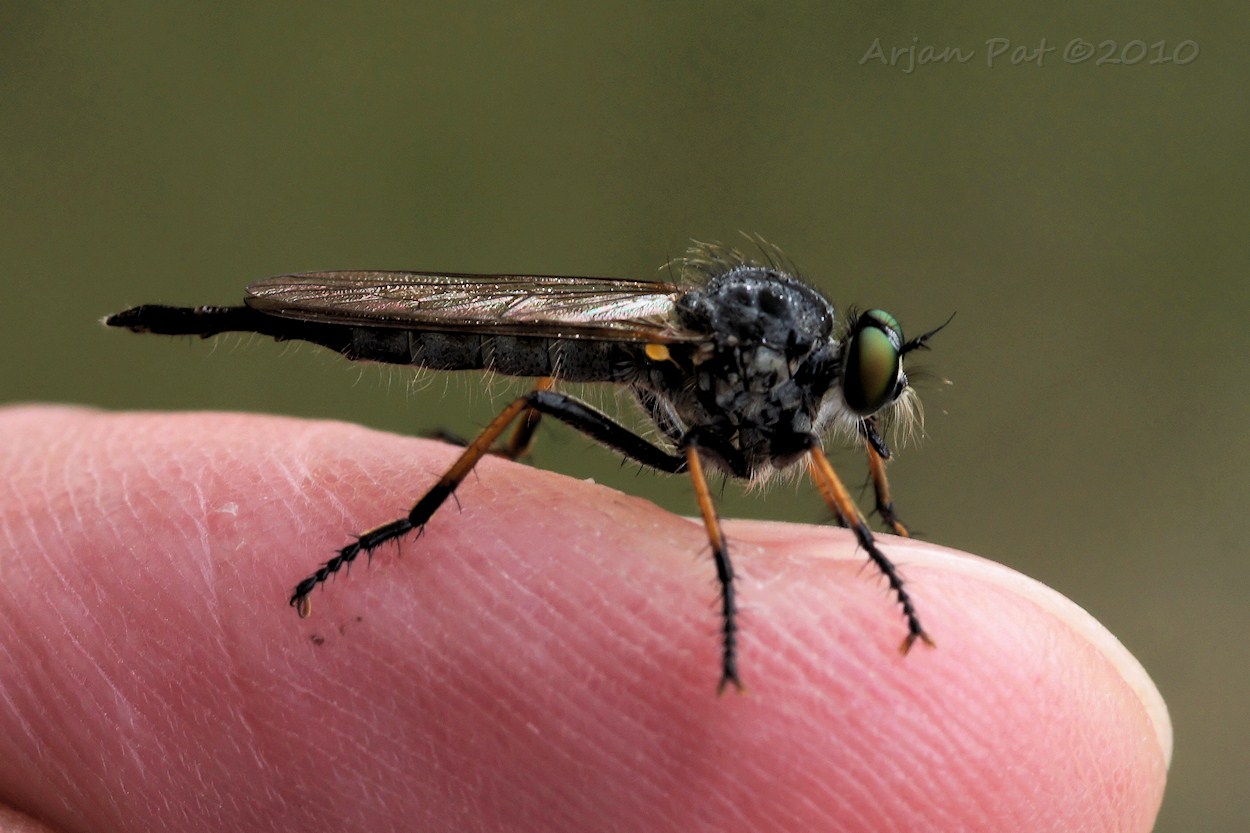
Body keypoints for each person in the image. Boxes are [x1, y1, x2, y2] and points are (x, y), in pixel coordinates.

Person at [0, 406, 1169, 832]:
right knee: (539, 390)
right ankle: (406, 521)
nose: (880, 390)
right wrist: (727, 573)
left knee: (543, 399)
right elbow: (723, 449)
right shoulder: (759, 385)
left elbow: (815, 441)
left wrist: (881, 516)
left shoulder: (808, 408)